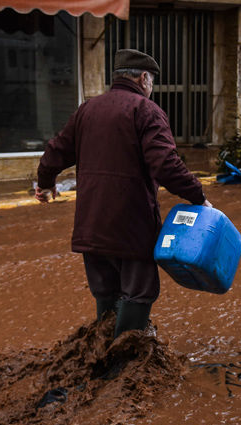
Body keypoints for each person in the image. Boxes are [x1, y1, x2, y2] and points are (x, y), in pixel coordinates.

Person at [35, 49, 212, 340]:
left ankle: (101, 353)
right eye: (152, 81)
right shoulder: (146, 111)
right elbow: (166, 164)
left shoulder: (87, 109)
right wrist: (198, 196)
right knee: (139, 291)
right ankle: (122, 368)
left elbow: (55, 152)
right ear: (144, 78)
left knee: (105, 290)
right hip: (131, 227)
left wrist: (45, 183)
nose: (151, 88)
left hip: (91, 225)